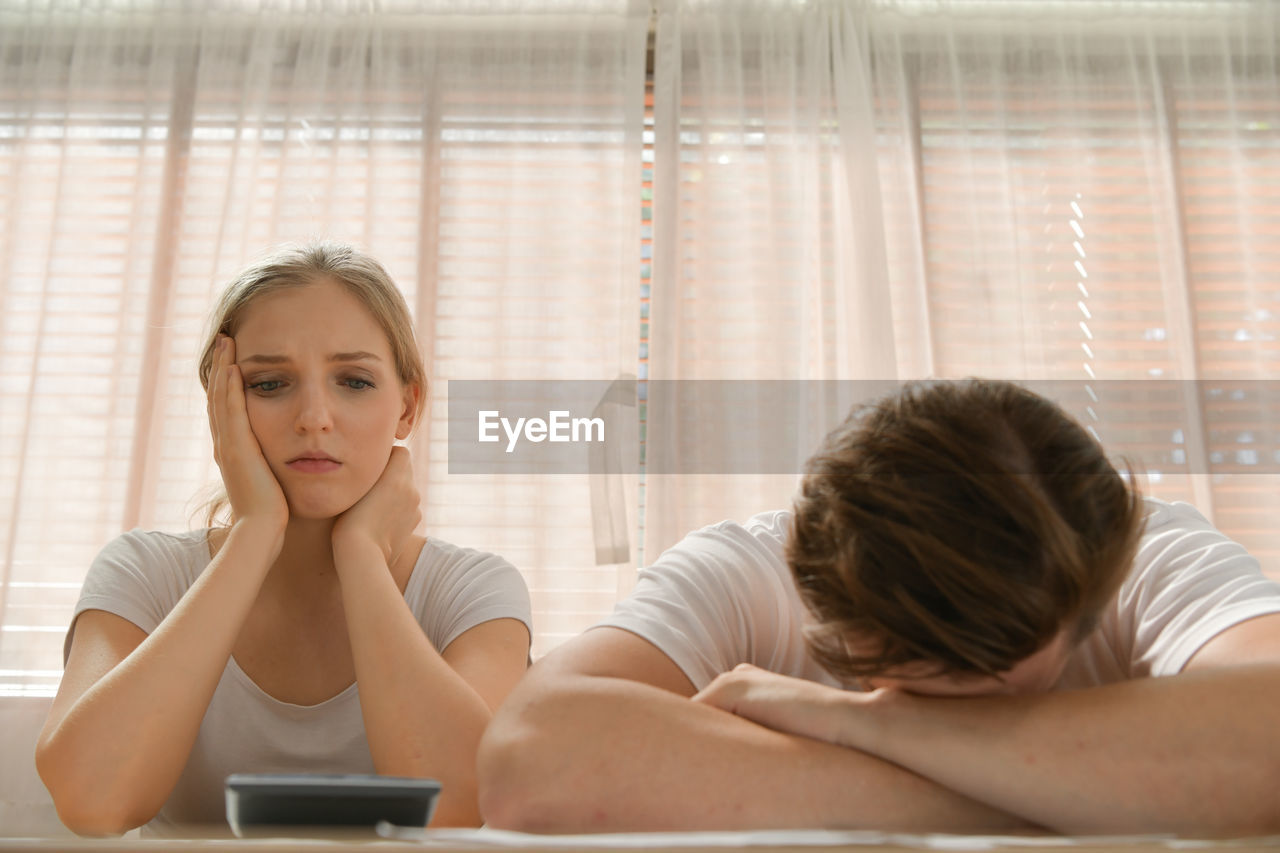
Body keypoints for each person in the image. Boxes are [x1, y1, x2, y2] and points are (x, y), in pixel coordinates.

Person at [477, 379, 1280, 836]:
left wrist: (867, 722)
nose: (951, 702)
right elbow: (530, 758)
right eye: (904, 677)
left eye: (994, 677)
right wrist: (1076, 801)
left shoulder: (1138, 553)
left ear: (1090, 600)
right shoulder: (751, 566)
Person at [36, 242, 532, 836]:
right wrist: (253, 534)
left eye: (353, 381)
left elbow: (466, 804)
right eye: (270, 384)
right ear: (222, 404)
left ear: (408, 406)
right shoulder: (144, 573)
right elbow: (92, 801)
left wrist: (362, 558)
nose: (314, 417)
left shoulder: (474, 592)